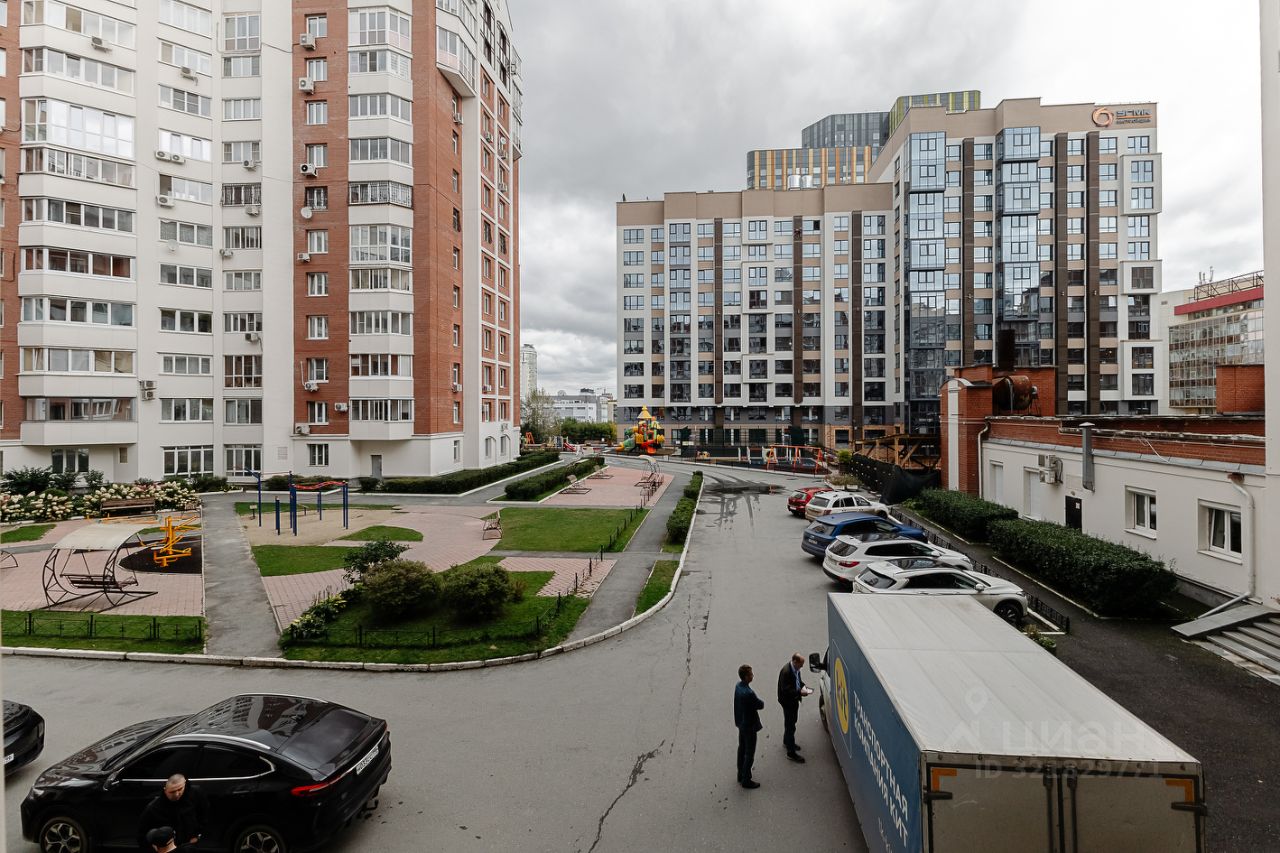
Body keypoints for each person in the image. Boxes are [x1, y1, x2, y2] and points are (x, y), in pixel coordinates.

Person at [137, 774, 208, 850]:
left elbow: (204, 815)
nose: (177, 794)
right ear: (165, 790)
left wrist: (198, 835)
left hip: (190, 845)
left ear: (184, 784)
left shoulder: (196, 794)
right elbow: (142, 835)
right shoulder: (153, 808)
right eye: (172, 792)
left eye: (180, 789)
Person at [733, 664, 765, 789]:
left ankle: (740, 774)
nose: (753, 676)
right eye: (751, 674)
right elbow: (759, 704)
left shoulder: (738, 686)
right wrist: (761, 702)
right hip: (749, 726)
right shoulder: (749, 693)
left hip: (741, 723)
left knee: (741, 749)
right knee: (749, 753)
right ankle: (746, 779)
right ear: (746, 677)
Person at [777, 652, 809, 763]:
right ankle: (791, 752)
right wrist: (799, 692)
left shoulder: (795, 669)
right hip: (788, 702)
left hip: (793, 701)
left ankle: (787, 741)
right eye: (801, 664)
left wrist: (803, 687)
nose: (802, 666)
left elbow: (797, 681)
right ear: (795, 662)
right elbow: (786, 690)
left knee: (791, 722)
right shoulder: (786, 672)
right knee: (790, 725)